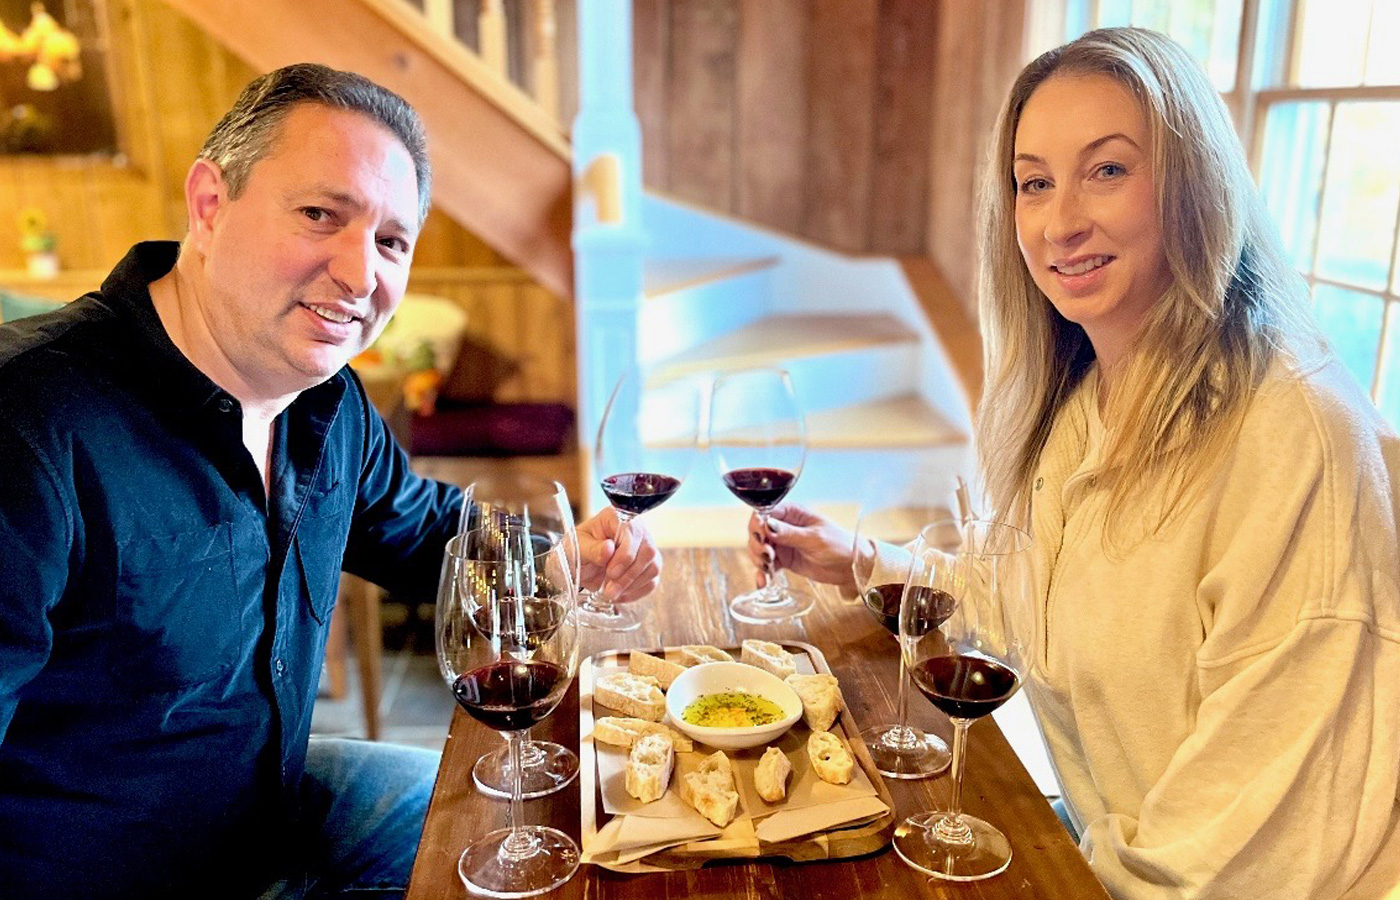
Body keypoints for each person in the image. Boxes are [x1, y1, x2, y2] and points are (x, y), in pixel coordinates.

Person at [748, 27, 1399, 900]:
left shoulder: (1291, 430)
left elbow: (1254, 837)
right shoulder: (1083, 400)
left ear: (1195, 183)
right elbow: (1032, 602)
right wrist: (865, 563)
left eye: (1108, 169)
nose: (1060, 223)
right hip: (1107, 866)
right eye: (1035, 182)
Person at [0, 63, 660, 899]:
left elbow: (430, 534)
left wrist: (560, 557)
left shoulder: (329, 403)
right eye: (321, 214)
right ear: (209, 203)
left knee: (565, 835)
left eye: (391, 242)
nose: (360, 275)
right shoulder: (28, 423)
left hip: (272, 810)